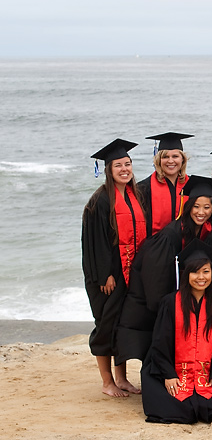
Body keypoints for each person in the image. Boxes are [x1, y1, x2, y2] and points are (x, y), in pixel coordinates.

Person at [116, 175, 212, 364]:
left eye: (206, 207)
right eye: (196, 206)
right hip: (156, 294)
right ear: (187, 206)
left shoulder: (208, 230)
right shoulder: (171, 234)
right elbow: (156, 276)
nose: (201, 212)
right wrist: (166, 306)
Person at [141, 240, 212, 424]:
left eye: (206, 272)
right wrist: (168, 375)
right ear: (186, 274)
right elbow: (159, 342)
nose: (201, 277)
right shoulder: (170, 303)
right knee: (179, 407)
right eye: (195, 272)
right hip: (173, 369)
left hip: (205, 373)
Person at [82, 139, 147, 398]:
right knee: (106, 325)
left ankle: (122, 378)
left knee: (123, 325)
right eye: (118, 165)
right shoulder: (99, 201)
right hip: (108, 277)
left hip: (130, 273)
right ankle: (107, 381)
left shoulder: (134, 195)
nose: (124, 169)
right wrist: (104, 274)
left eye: (128, 164)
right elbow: (94, 243)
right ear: (108, 170)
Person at [138, 132, 192, 237]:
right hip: (156, 246)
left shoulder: (191, 186)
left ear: (182, 159)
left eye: (175, 156)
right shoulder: (143, 188)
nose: (170, 161)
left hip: (185, 246)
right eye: (165, 157)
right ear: (159, 160)